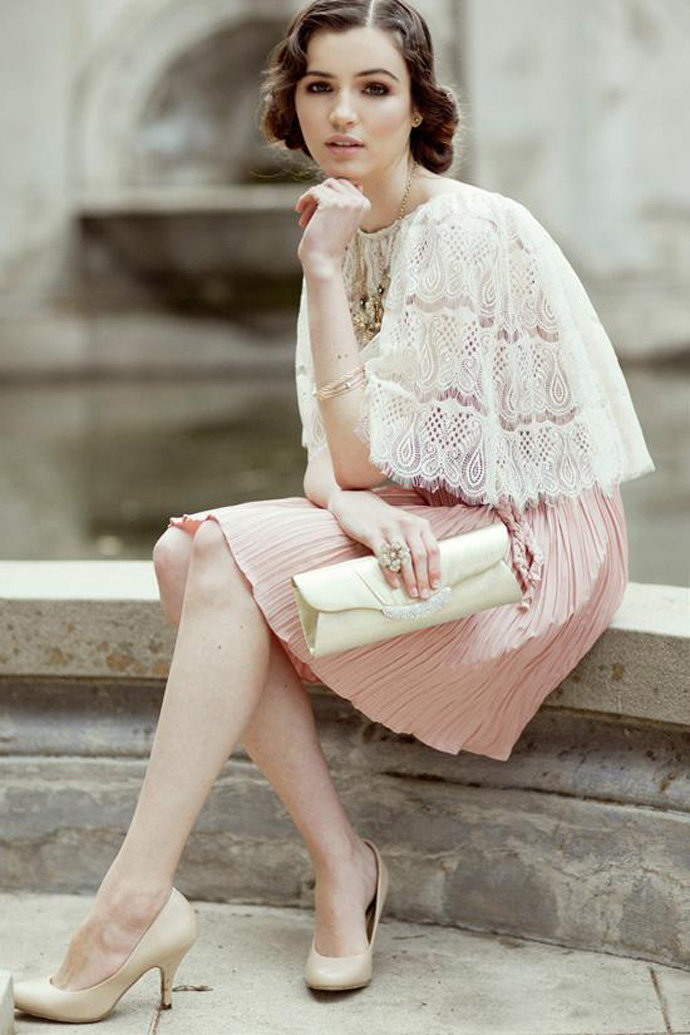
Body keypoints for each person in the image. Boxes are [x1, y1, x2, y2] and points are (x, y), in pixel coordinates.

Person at [13, 0, 656, 1023]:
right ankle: (340, 862)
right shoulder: (343, 227)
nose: (343, 113)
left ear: (419, 108)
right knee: (186, 559)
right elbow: (330, 461)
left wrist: (319, 280)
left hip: (529, 541)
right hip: (417, 514)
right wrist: (354, 507)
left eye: (374, 88)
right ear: (293, 102)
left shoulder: (464, 230)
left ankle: (129, 908)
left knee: (213, 556)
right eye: (321, 86)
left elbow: (360, 459)